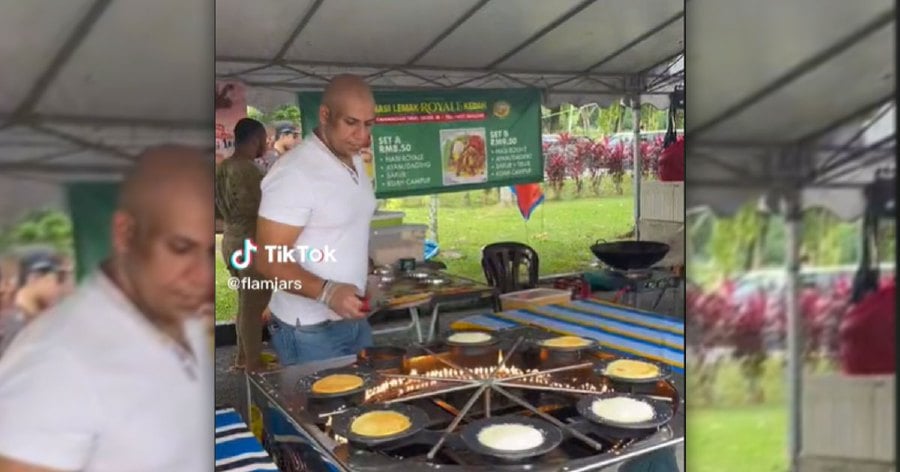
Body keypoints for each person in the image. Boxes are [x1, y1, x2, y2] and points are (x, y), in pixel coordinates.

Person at [0, 146, 215, 472]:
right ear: (125, 234)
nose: (202, 276)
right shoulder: (53, 364)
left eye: (210, 252)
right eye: (180, 248)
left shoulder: (174, 315)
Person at [256, 74, 377, 366]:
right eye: (351, 123)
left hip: (352, 318)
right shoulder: (295, 173)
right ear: (325, 115)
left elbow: (344, 229)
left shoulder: (354, 160)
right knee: (325, 412)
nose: (362, 136)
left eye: (368, 124)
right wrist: (328, 292)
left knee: (366, 407)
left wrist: (369, 271)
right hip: (309, 329)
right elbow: (268, 259)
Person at [216, 117, 272, 372]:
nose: (267, 144)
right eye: (264, 139)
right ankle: (252, 362)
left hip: (230, 240)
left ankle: (242, 358)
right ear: (255, 139)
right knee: (253, 306)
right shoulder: (248, 170)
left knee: (245, 301)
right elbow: (262, 209)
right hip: (251, 242)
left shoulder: (223, 167)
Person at [0, 249, 72, 356]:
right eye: (60, 278)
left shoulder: (34, 322)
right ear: (35, 278)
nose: (66, 288)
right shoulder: (14, 326)